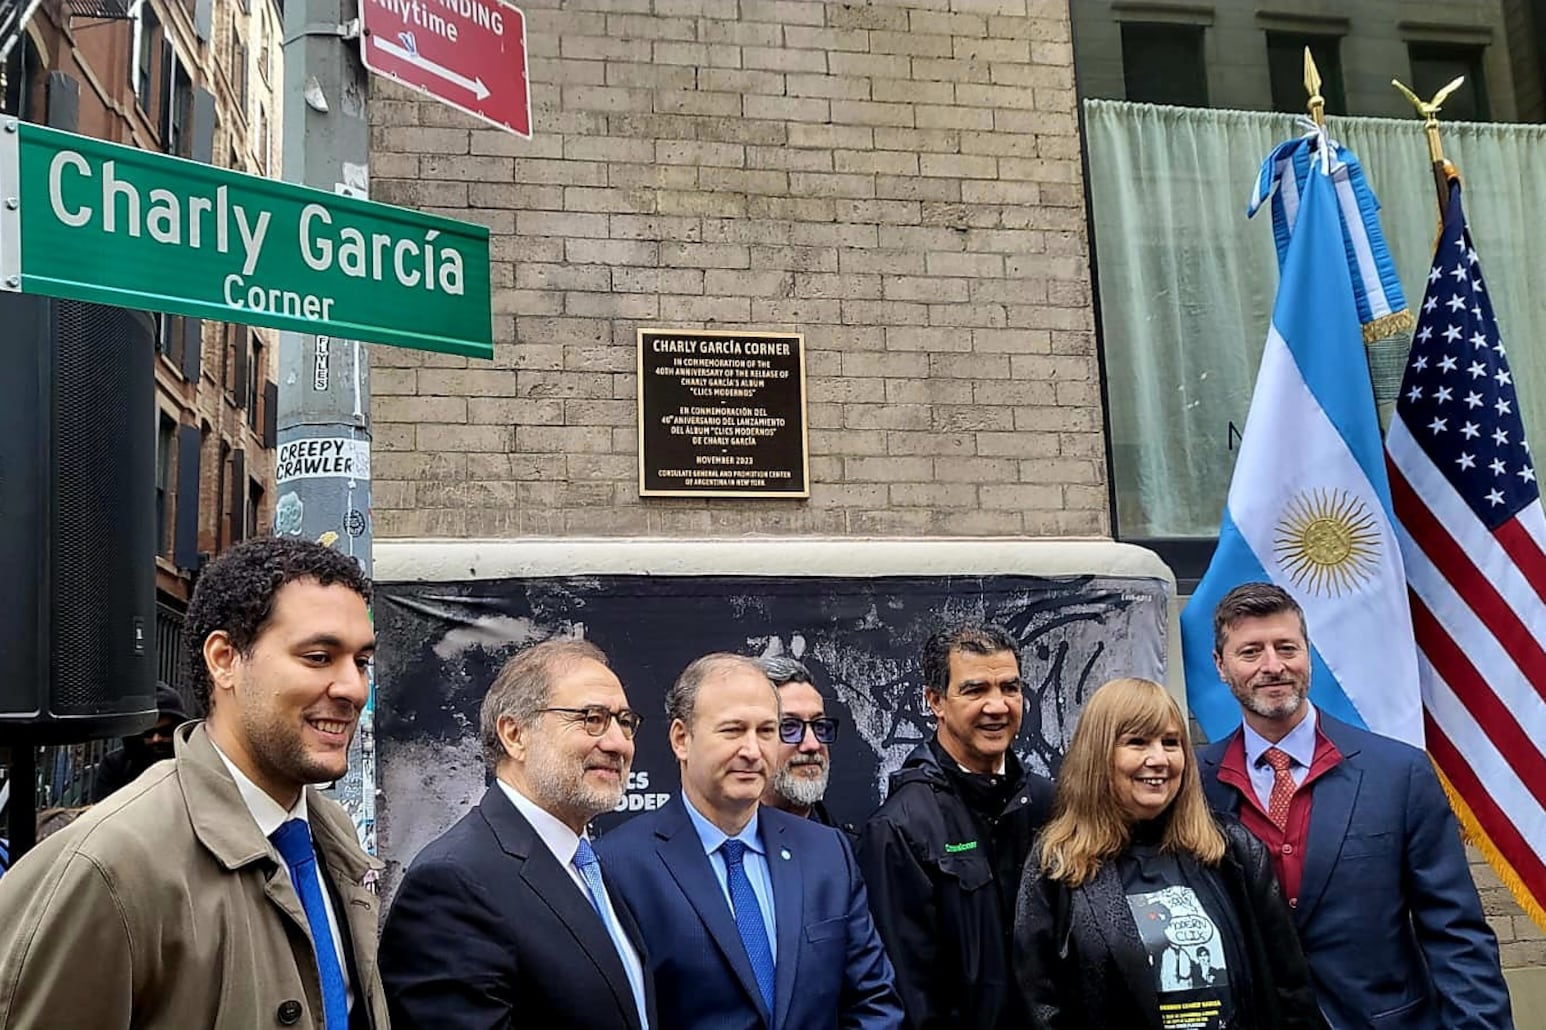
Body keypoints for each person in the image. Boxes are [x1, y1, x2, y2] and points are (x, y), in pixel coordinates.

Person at [0, 536, 387, 1028]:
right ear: (224, 659)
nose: (353, 688)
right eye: (318, 657)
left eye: (361, 661)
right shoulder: (110, 866)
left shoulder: (331, 835)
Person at [1199, 582, 1512, 1029]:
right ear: (1221, 666)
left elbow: (1455, 933)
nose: (1273, 666)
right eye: (1250, 652)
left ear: (1308, 653)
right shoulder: (1194, 782)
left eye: (1286, 647)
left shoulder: (1398, 774)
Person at [598, 652, 903, 1030]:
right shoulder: (619, 866)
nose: (752, 750)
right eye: (732, 730)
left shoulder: (828, 853)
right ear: (681, 739)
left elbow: (874, 1004)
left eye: (766, 731)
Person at [1014, 677, 1324, 1029]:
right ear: (1098, 756)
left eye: (1171, 742)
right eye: (1138, 742)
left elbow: (1290, 989)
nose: (1159, 759)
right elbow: (1041, 1006)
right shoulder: (1056, 866)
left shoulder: (1231, 850)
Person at [380, 638, 655, 1030]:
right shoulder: (454, 882)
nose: (617, 743)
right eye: (592, 718)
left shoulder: (589, 867)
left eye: (625, 722)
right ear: (514, 734)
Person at [856, 621, 1054, 1030]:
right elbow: (908, 993)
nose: (998, 706)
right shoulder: (900, 829)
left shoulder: (1051, 804)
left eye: (1010, 688)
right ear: (935, 701)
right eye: (975, 689)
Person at [757, 655, 854, 836]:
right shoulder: (722, 849)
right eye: (789, 727)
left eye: (819, 725)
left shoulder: (848, 852)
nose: (812, 744)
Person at [89, 680, 192, 802]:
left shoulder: (193, 763)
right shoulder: (115, 766)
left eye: (166, 732)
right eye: (148, 733)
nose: (156, 739)